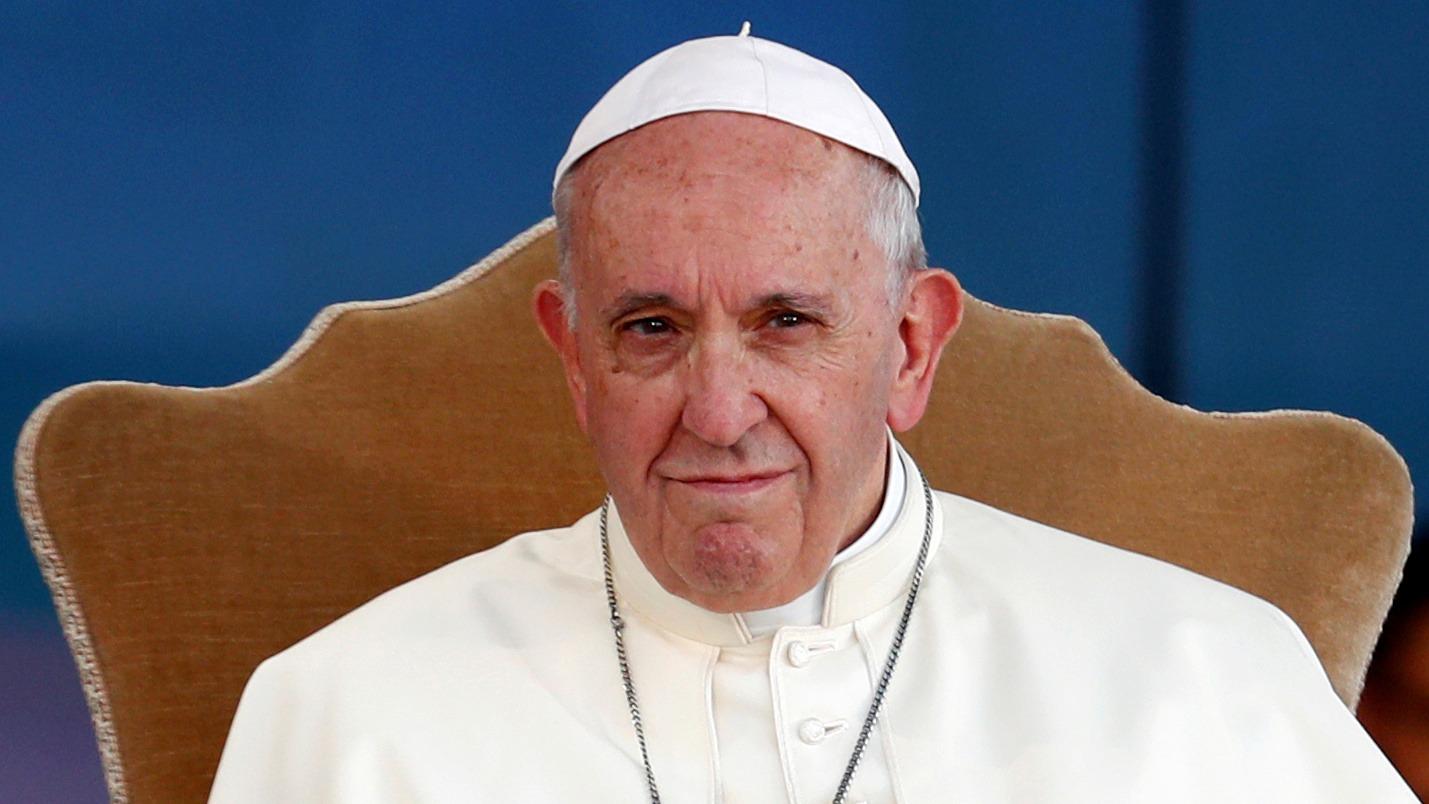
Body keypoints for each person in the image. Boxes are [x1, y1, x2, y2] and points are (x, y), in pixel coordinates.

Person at [208, 28, 1414, 802]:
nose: (720, 412)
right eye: (650, 329)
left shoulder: (1194, 677)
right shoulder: (349, 714)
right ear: (572, 357)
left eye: (787, 322)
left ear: (908, 346)